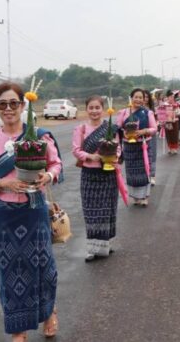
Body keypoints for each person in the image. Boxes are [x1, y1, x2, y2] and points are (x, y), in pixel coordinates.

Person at [0, 82, 63, 341]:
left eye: (14, 103)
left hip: (34, 210)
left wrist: (48, 176)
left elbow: (56, 164)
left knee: (44, 266)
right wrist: (3, 184)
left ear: (23, 105)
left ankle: (49, 312)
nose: (8, 109)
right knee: (9, 271)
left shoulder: (40, 136)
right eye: (2, 104)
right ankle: (18, 330)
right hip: (3, 215)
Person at [71, 95, 121, 261]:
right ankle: (93, 249)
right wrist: (91, 156)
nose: (94, 111)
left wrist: (113, 157)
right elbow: (76, 150)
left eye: (97, 107)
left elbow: (118, 148)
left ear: (103, 109)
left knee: (108, 210)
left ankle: (106, 244)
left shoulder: (110, 128)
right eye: (91, 108)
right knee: (91, 212)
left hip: (108, 174)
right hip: (89, 175)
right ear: (86, 110)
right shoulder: (81, 129)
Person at [116, 89, 157, 207]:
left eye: (141, 97)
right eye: (136, 97)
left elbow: (154, 129)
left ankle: (144, 197)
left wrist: (144, 131)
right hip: (129, 147)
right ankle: (135, 197)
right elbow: (117, 128)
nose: (138, 100)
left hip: (143, 146)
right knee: (131, 172)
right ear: (131, 98)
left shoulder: (147, 113)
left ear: (144, 99)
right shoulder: (124, 112)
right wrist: (124, 133)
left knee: (145, 171)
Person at [144, 89, 159, 185]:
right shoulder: (134, 109)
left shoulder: (152, 110)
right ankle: (145, 176)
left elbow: (157, 121)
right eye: (143, 97)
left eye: (146, 97)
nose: (144, 99)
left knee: (152, 155)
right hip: (141, 136)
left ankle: (152, 176)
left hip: (151, 135)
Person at [162, 89, 180, 154]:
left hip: (174, 122)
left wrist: (177, 114)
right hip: (167, 122)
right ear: (167, 97)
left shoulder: (176, 105)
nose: (172, 98)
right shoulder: (164, 105)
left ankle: (174, 148)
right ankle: (170, 148)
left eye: (173, 97)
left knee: (175, 135)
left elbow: (179, 112)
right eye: (170, 96)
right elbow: (161, 113)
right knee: (168, 135)